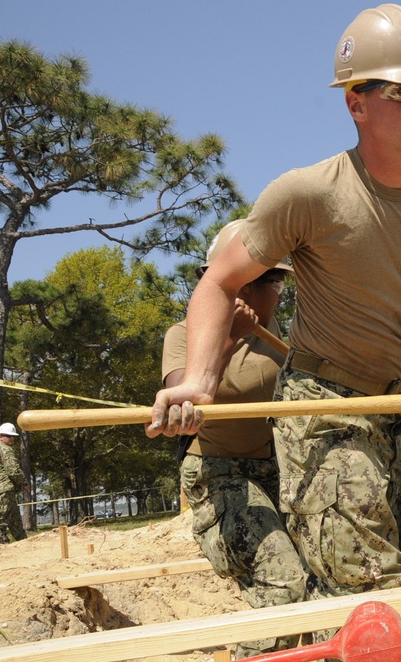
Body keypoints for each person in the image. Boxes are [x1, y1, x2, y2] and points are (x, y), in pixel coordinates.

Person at [147, 4, 401, 599]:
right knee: (370, 580)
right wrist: (197, 381)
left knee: (378, 554)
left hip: (396, 405)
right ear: (356, 101)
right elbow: (218, 280)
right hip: (322, 410)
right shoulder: (307, 194)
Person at [162, 220, 309, 657]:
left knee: (323, 569)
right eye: (273, 286)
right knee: (283, 580)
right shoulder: (184, 335)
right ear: (239, 286)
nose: (277, 296)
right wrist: (228, 339)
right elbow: (182, 398)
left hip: (277, 471)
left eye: (280, 286)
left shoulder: (279, 337)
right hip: (220, 472)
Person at [0, 423, 28, 544]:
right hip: (4, 489)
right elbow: (13, 470)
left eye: (13, 436)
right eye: (9, 436)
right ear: (0, 436)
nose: (12, 438)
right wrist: (24, 483)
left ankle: (23, 542)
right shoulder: (6, 449)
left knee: (14, 520)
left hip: (2, 488)